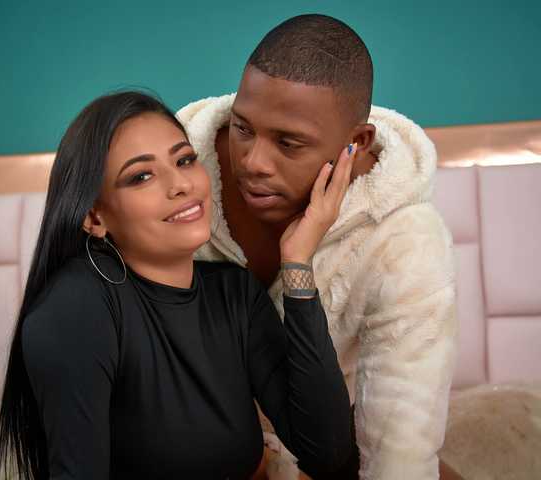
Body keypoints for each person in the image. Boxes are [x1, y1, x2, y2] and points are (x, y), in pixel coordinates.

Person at [0, 91, 357, 480]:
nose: (181, 184)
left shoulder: (235, 293)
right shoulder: (77, 307)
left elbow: (328, 453)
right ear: (95, 217)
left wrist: (298, 261)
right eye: (141, 176)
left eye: (184, 160)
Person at [177, 14, 457, 480]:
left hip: (325, 446)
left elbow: (401, 438)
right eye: (243, 129)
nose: (253, 163)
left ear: (356, 143)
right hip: (193, 444)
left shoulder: (407, 239)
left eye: (288, 144)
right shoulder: (176, 177)